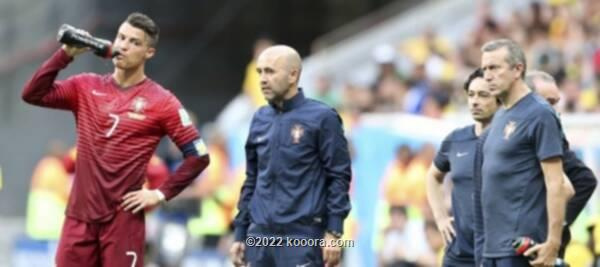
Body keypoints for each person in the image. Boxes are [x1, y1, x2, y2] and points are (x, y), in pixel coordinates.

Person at [21, 12, 210, 267]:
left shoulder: (162, 102)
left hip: (123, 223)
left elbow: (198, 156)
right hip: (78, 219)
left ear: (149, 53)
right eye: (121, 37)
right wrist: (65, 55)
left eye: (134, 42)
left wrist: (160, 194)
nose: (124, 45)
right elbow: (32, 94)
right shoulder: (85, 86)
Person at [229, 45, 352, 267]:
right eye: (260, 72)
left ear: (293, 74)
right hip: (260, 237)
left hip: (302, 237)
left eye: (270, 71)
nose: (263, 79)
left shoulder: (323, 118)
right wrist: (240, 233)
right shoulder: (259, 119)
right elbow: (252, 179)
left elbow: (339, 177)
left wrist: (334, 231)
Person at [478, 39, 571, 267]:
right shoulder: (500, 115)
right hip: (492, 248)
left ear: (518, 69)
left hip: (522, 247)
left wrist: (553, 242)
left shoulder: (540, 114)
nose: (487, 76)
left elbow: (556, 183)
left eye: (495, 68)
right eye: (485, 69)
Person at [426, 68, 499, 266]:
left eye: (483, 95)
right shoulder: (456, 139)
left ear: (499, 99)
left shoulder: (511, 140)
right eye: (471, 95)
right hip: (459, 252)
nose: (475, 101)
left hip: (498, 252)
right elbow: (433, 177)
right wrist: (441, 218)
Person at [525, 70, 598, 258]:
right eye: (548, 102)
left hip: (540, 242)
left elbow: (584, 180)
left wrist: (555, 228)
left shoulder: (551, 134)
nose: (554, 110)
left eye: (556, 103)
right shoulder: (504, 133)